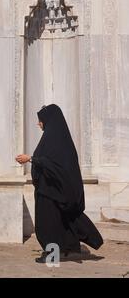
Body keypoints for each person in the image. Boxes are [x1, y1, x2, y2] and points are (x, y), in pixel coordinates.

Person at [16, 104, 103, 262]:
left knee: (47, 226)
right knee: (55, 224)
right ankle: (62, 251)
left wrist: (31, 159)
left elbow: (57, 166)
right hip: (48, 190)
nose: (38, 123)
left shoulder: (57, 140)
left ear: (48, 120)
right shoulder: (52, 137)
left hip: (52, 192)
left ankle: (53, 255)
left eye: (40, 120)